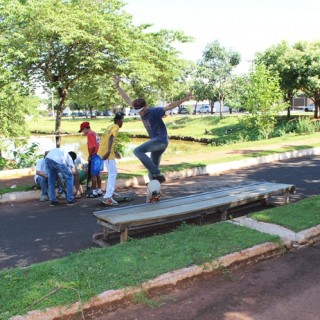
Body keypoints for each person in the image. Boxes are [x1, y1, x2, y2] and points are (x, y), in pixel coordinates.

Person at [114, 76, 193, 183]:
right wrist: (118, 86)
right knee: (151, 167)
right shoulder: (137, 108)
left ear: (146, 106)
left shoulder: (155, 111)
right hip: (156, 143)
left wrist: (184, 99)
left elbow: (170, 106)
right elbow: (127, 98)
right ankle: (155, 189)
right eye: (138, 111)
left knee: (137, 151)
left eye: (142, 110)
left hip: (160, 141)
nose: (140, 113)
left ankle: (157, 173)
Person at [100, 112, 124, 206]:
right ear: (118, 120)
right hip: (107, 153)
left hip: (104, 150)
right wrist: (109, 152)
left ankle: (111, 193)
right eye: (122, 121)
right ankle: (108, 197)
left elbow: (106, 139)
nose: (122, 123)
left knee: (112, 172)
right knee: (113, 173)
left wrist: (114, 151)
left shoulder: (110, 126)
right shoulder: (116, 127)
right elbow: (111, 138)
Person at [78, 121, 103, 198]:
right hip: (100, 155)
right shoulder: (94, 133)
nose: (83, 132)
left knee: (93, 175)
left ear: (85, 128)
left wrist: (89, 156)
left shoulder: (89, 134)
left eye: (82, 130)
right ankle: (99, 190)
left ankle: (94, 192)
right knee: (98, 174)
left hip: (95, 155)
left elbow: (92, 146)